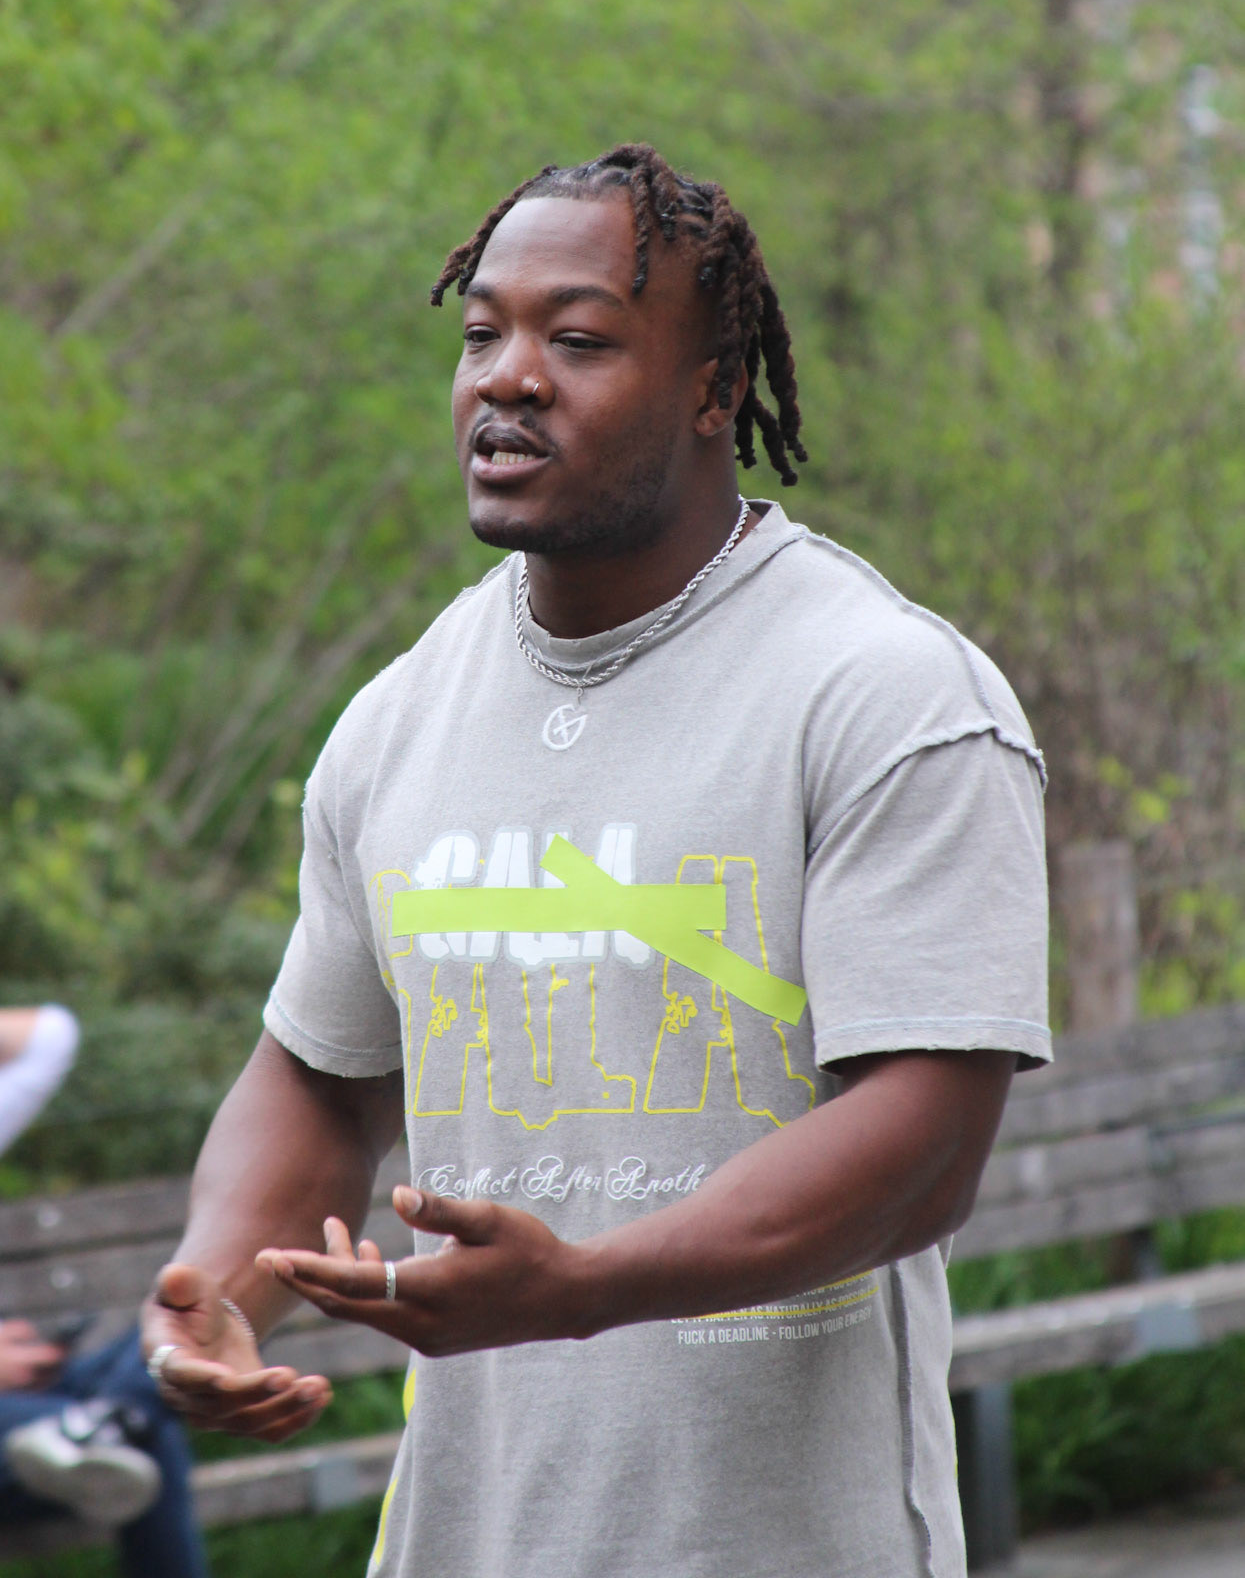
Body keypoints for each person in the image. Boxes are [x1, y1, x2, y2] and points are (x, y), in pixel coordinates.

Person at [142, 143, 1051, 1578]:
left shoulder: (887, 695)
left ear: (712, 390)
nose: (508, 377)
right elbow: (320, 1076)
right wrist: (221, 1291)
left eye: (577, 340)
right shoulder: (399, 717)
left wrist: (584, 1287)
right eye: (481, 333)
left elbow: (924, 1142)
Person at [0, 987, 207, 1577]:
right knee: (144, 1439)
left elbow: (51, 1036)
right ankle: (97, 1425)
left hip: (4, 1402)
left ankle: (99, 1420)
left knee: (191, 1322)